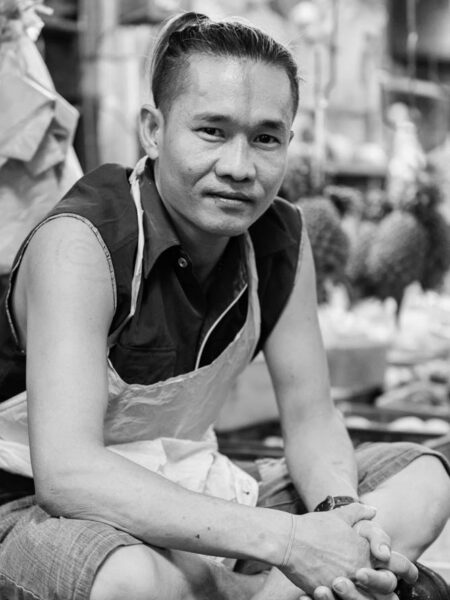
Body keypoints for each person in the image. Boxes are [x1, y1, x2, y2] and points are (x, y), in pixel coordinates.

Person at [0, 11, 449, 600]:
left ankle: (242, 590)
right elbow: (68, 475)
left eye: (265, 137)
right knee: (131, 582)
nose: (240, 168)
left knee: (424, 479)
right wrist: (287, 542)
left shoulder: (282, 235)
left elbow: (312, 419)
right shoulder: (83, 243)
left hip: (197, 488)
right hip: (41, 508)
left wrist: (340, 521)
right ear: (153, 131)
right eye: (212, 131)